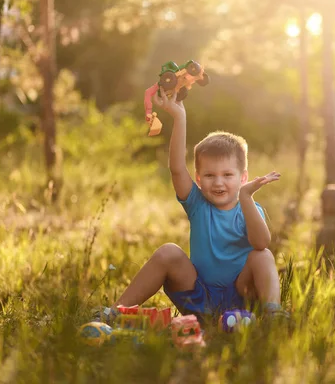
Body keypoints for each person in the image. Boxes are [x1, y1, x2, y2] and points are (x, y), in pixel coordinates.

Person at [94, 87, 285, 324]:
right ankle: (115, 312)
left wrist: (246, 198)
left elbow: (262, 243)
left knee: (262, 256)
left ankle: (272, 316)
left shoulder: (249, 207)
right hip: (199, 298)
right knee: (168, 252)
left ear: (243, 178)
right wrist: (179, 117)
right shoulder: (198, 204)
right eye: (209, 175)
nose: (218, 182)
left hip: (242, 296)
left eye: (227, 175)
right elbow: (176, 169)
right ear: (198, 179)